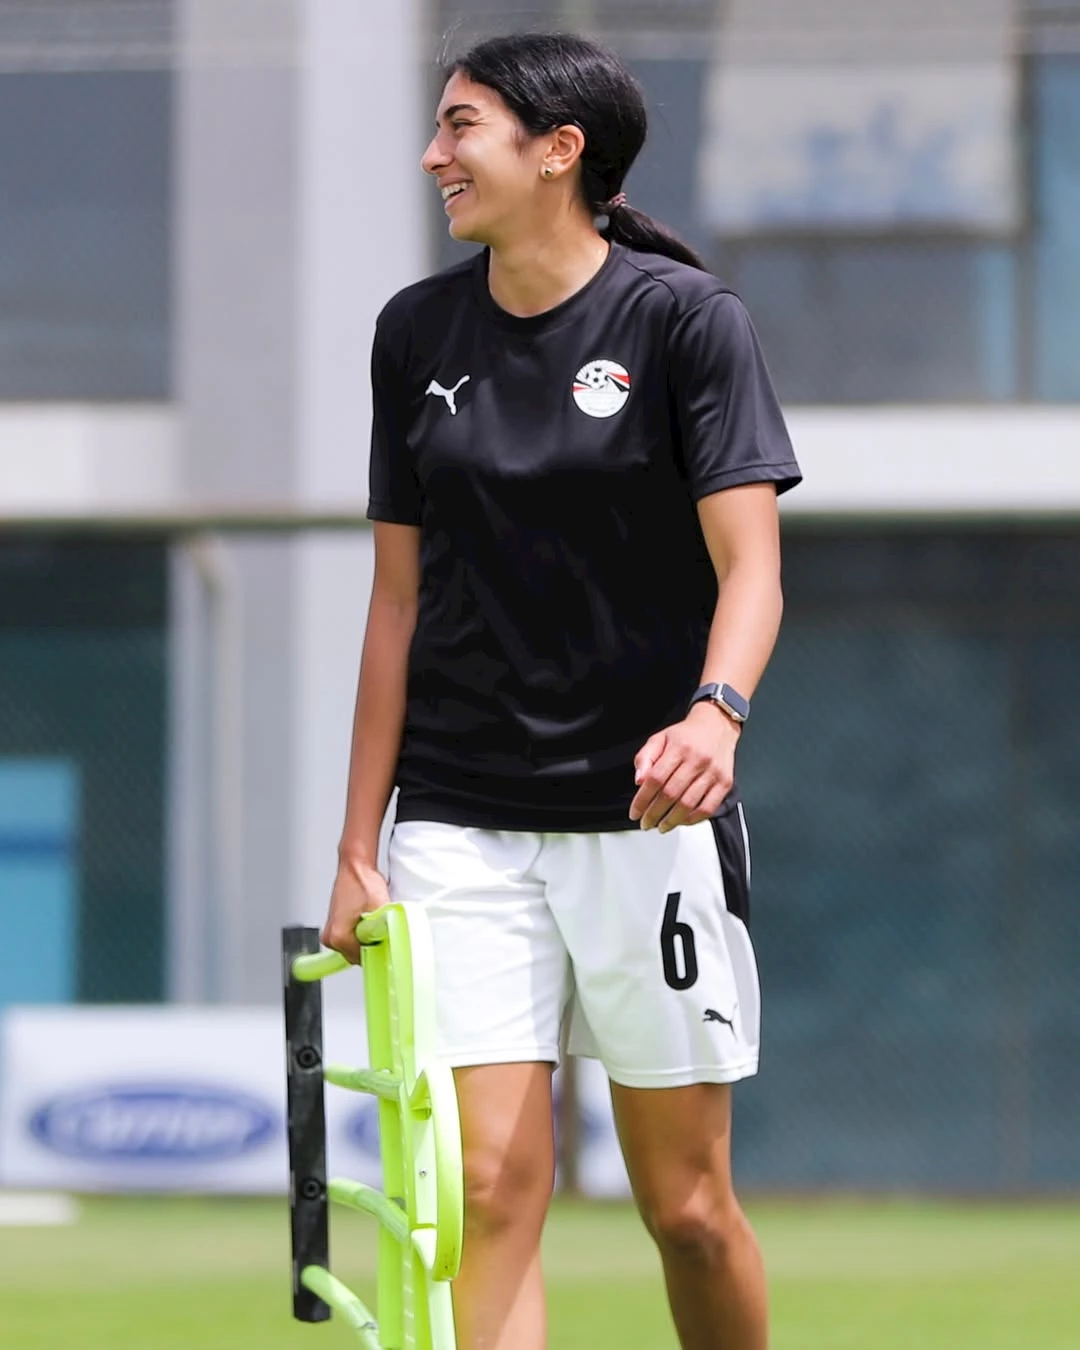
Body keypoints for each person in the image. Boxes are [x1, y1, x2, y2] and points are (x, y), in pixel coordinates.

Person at [321, 30, 801, 1350]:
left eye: (461, 126)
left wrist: (716, 712)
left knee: (688, 1209)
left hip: (648, 820)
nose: (433, 155)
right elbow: (396, 603)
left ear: (558, 150)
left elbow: (753, 568)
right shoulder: (414, 331)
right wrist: (359, 844)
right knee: (485, 1190)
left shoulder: (686, 321)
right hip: (460, 817)